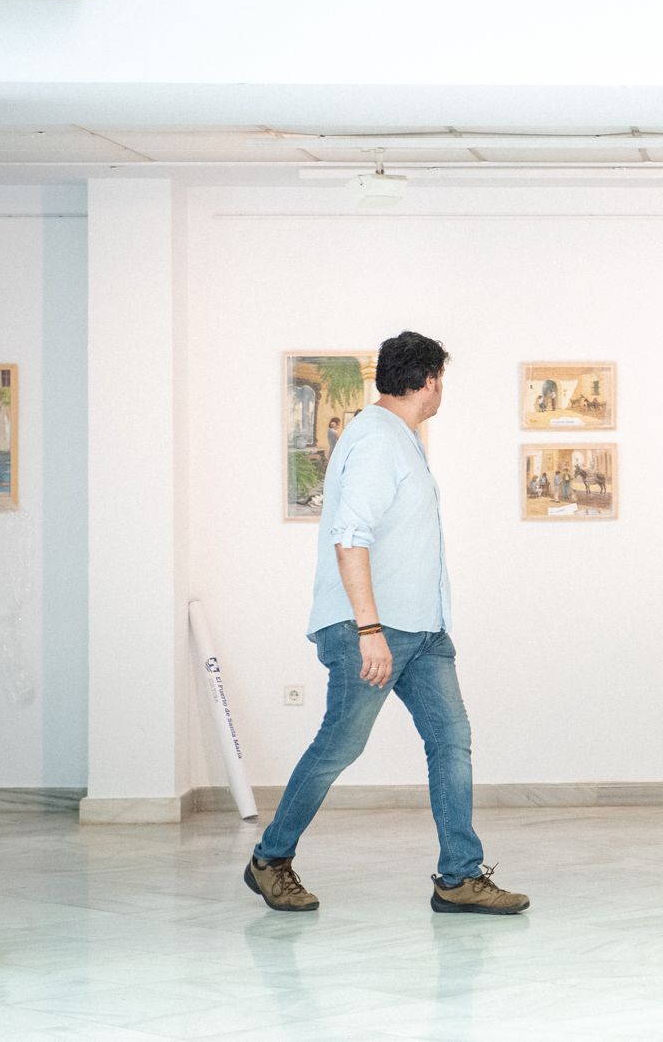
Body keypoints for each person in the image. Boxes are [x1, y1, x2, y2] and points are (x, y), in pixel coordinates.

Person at [244, 331, 529, 916]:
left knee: (451, 742)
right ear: (429, 381)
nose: (441, 388)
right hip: (374, 631)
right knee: (338, 747)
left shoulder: (398, 438)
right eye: (440, 379)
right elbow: (351, 536)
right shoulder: (377, 440)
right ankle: (270, 859)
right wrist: (370, 632)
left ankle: (458, 876)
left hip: (422, 633)